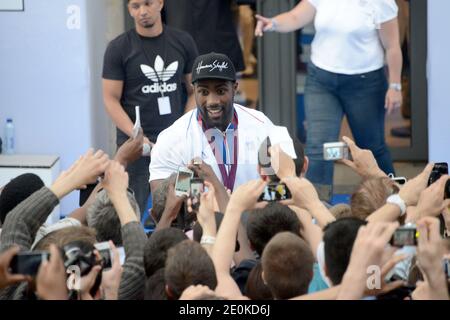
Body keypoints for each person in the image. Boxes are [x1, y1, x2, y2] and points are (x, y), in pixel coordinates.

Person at [255, 0, 402, 201]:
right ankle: (319, 208)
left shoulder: (380, 2)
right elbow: (296, 17)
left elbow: (392, 46)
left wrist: (395, 86)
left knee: (371, 148)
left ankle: (394, 201)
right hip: (321, 80)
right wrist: (273, 22)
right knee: (318, 149)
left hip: (365, 83)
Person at [102, 0, 199, 213]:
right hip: (136, 148)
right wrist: (136, 135)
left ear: (160, 3)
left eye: (148, 3)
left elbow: (195, 91)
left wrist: (182, 129)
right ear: (129, 9)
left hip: (178, 147)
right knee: (130, 210)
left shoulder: (182, 41)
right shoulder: (118, 47)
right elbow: (110, 99)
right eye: (136, 6)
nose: (143, 12)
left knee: (183, 205)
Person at [149, 52, 276, 194]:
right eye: (203, 92)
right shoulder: (173, 138)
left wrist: (247, 202)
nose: (212, 101)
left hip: (254, 214)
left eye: (221, 91)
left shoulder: (261, 125)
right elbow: (163, 202)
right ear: (194, 90)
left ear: (234, 88)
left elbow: (282, 189)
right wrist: (188, 182)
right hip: (199, 216)